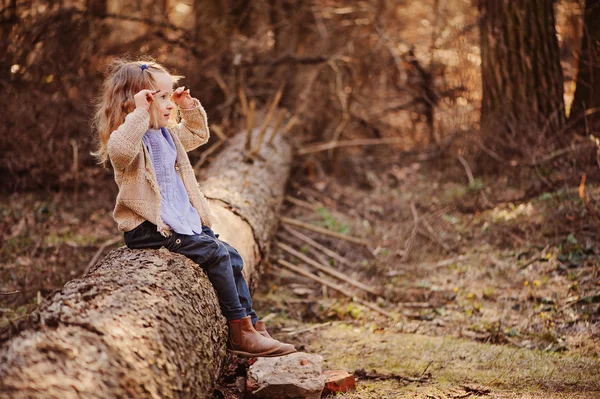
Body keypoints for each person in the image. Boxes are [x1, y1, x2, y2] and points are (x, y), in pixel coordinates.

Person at [91, 58, 295, 358]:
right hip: (148, 229)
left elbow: (199, 134)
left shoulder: (166, 135)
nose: (168, 104)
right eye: (159, 98)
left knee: (233, 255)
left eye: (169, 95)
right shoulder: (131, 138)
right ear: (135, 102)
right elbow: (119, 153)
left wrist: (186, 105)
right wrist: (138, 114)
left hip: (177, 221)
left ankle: (250, 323)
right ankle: (239, 331)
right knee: (214, 253)